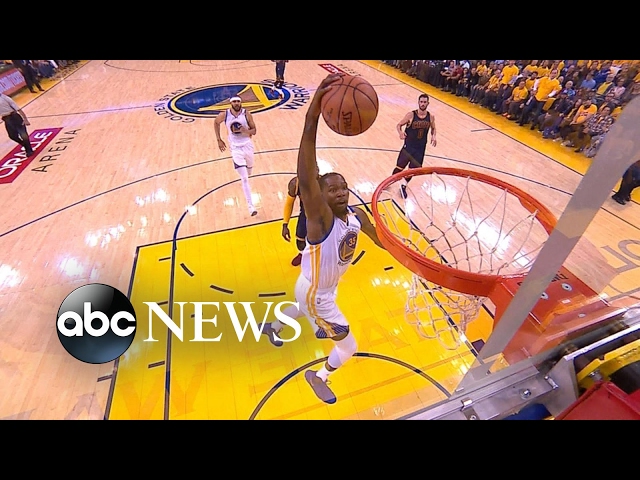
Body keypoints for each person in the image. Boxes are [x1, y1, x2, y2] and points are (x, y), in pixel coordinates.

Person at [261, 73, 387, 404]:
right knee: (348, 346)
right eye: (332, 189)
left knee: (301, 309)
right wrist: (312, 115)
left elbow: (383, 241)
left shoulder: (356, 217)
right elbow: (306, 177)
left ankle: (273, 326)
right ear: (321, 197)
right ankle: (319, 376)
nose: (341, 192)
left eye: (343, 186)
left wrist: (415, 259)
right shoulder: (320, 222)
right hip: (318, 294)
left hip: (315, 288)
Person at [214, 96, 258, 216]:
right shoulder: (225, 115)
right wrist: (219, 139)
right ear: (231, 103)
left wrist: (246, 131)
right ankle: (251, 206)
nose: (236, 103)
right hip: (235, 149)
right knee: (244, 178)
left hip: (247, 146)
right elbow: (216, 123)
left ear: (241, 102)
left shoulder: (247, 114)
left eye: (238, 101)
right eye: (234, 101)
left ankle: (246, 185)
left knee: (249, 172)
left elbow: (254, 131)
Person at [392, 93, 437, 198]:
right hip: (409, 146)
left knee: (413, 170)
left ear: (428, 103)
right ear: (418, 102)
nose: (423, 104)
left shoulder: (431, 117)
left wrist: (433, 136)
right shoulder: (411, 115)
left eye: (425, 102)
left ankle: (403, 185)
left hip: (420, 148)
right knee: (399, 167)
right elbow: (399, 125)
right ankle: (390, 180)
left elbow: (433, 128)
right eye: (421, 102)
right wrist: (400, 133)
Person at [281, 164, 320, 267]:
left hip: (322, 215)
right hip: (305, 213)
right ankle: (302, 254)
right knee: (300, 239)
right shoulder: (295, 184)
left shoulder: (324, 183)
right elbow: (289, 204)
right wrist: (285, 224)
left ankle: (321, 257)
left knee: (321, 240)